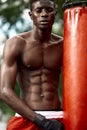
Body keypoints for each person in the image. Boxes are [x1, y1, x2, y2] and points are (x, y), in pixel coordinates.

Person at [0, 0, 64, 129]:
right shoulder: (16, 43)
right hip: (27, 117)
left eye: (49, 10)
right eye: (39, 10)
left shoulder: (64, 45)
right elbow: (4, 91)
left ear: (55, 14)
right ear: (31, 15)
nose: (44, 14)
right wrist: (42, 121)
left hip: (58, 118)